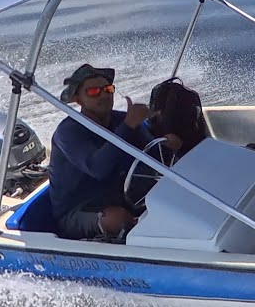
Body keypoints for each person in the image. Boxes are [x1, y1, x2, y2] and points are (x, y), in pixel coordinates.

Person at [49, 64, 180, 242]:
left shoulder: (120, 119)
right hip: (79, 210)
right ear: (78, 99)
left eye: (108, 89)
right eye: (93, 92)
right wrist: (128, 126)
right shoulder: (69, 132)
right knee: (117, 220)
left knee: (171, 193)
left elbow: (154, 154)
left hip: (122, 195)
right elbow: (98, 168)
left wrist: (168, 143)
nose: (103, 95)